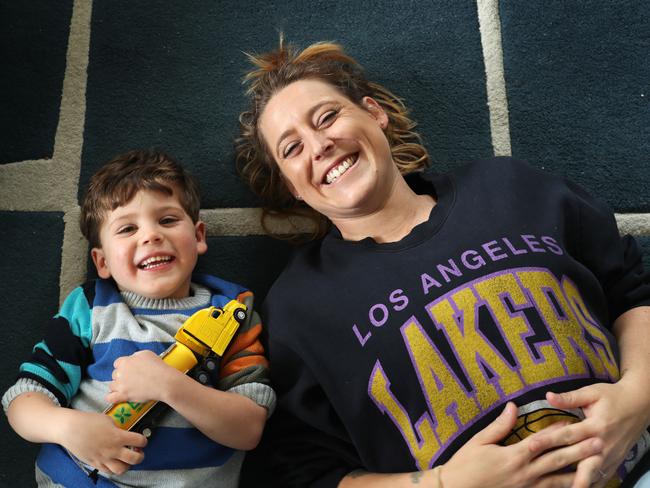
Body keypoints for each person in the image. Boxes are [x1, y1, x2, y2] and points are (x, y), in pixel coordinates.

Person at [236, 39, 650, 488]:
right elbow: (307, 474)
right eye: (291, 148)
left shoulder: (508, 188)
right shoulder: (299, 310)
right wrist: (442, 485)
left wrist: (637, 397)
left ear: (375, 113)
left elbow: (630, 288)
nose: (319, 145)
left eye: (328, 117)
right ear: (291, 186)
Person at [2, 150, 276, 487]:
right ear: (102, 262)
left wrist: (171, 386)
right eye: (128, 228)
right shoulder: (90, 307)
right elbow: (23, 401)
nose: (150, 235)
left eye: (168, 220)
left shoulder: (233, 312)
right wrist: (69, 427)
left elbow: (249, 430)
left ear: (199, 236)